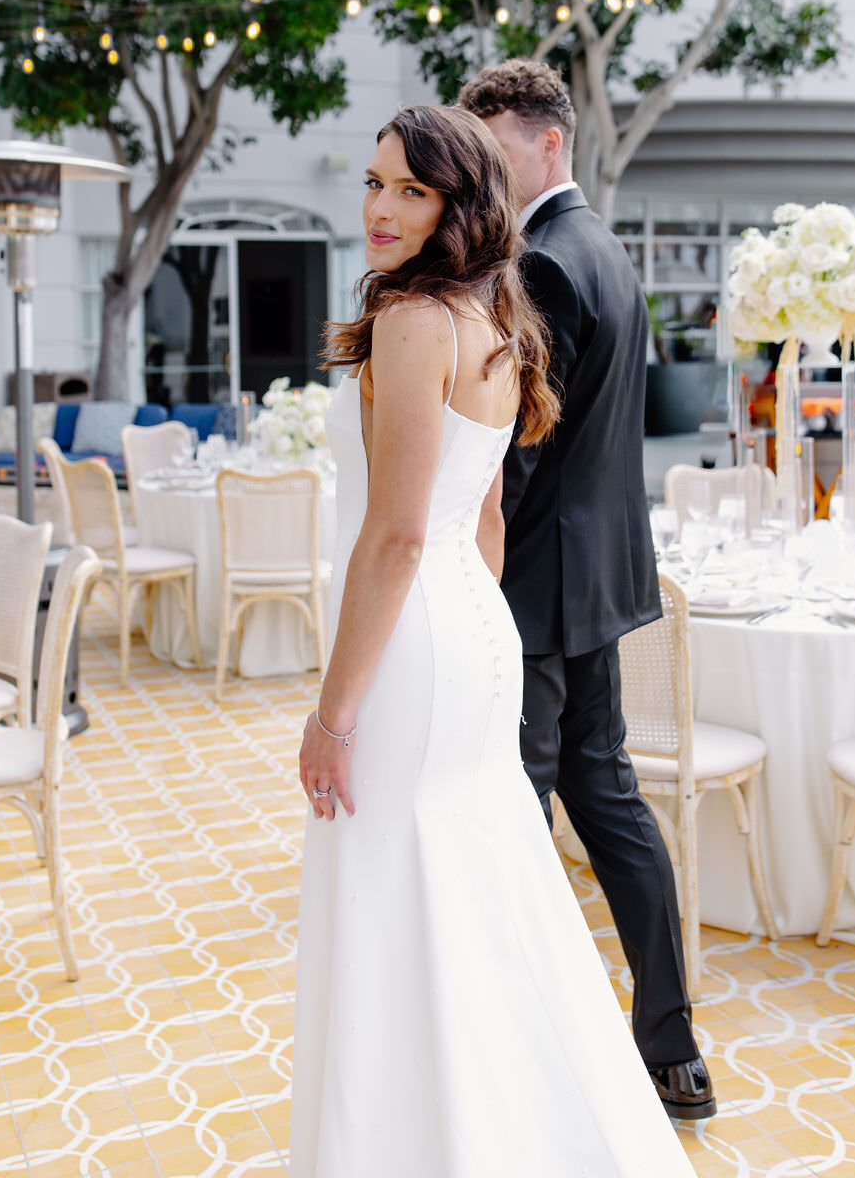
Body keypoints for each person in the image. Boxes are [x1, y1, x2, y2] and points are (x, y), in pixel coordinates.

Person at [290, 104, 697, 1177]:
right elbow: (486, 518)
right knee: (474, 887)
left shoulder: (414, 322)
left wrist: (333, 713)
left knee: (392, 895)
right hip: (473, 629)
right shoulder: (493, 315)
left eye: (410, 190)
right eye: (375, 183)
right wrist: (467, 623)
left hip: (418, 639)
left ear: (457, 203)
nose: (381, 206)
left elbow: (395, 536)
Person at [458, 60, 716, 1122]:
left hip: (536, 595)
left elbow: (522, 450)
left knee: (514, 817)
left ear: (546, 144)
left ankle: (517, 1054)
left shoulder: (549, 266)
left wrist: (462, 564)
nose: (479, 170)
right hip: (599, 582)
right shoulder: (602, 245)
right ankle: (672, 1051)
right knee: (610, 807)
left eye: (492, 147)